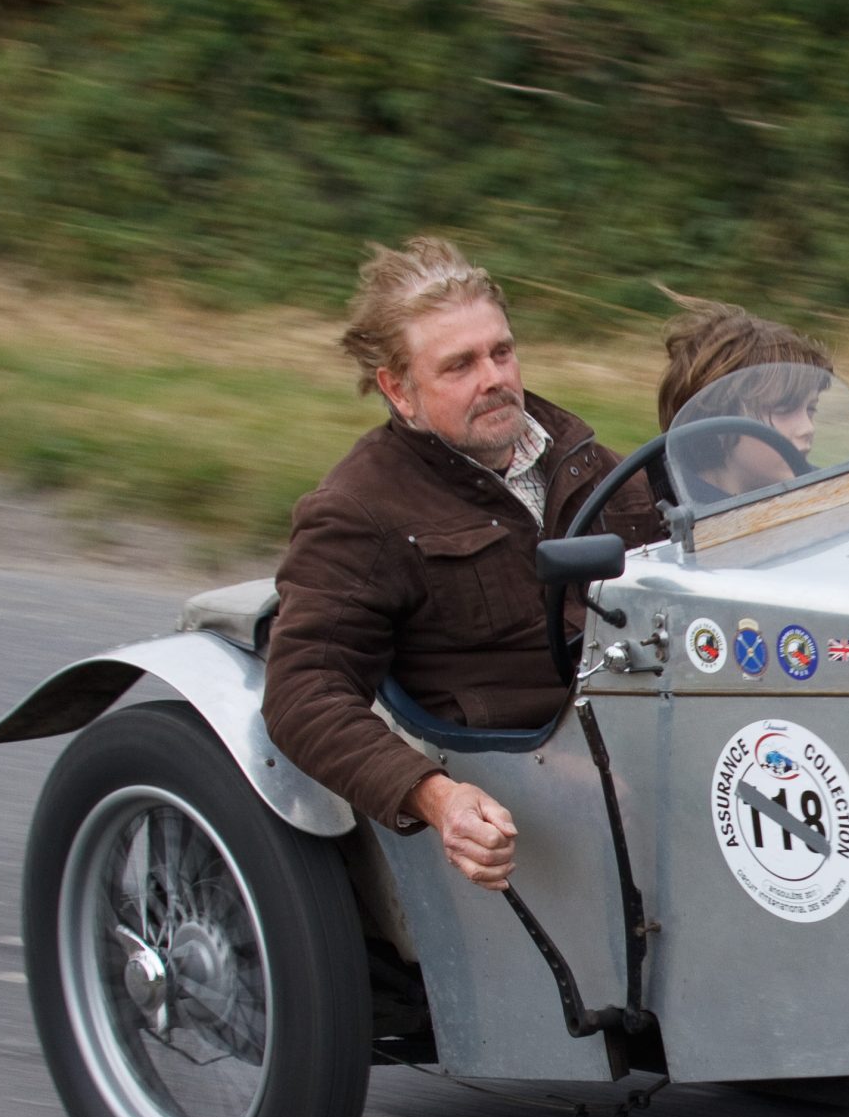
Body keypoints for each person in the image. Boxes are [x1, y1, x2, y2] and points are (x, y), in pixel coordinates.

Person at [264, 237, 661, 890]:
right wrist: (437, 797)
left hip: (650, 728)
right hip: (532, 776)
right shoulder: (359, 509)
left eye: (501, 352)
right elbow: (302, 693)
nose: (495, 378)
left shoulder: (582, 458)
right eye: (459, 365)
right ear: (400, 390)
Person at [652, 300, 835, 500]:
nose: (808, 429)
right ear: (718, 419)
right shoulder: (661, 520)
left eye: (811, 409)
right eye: (784, 409)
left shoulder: (826, 489)